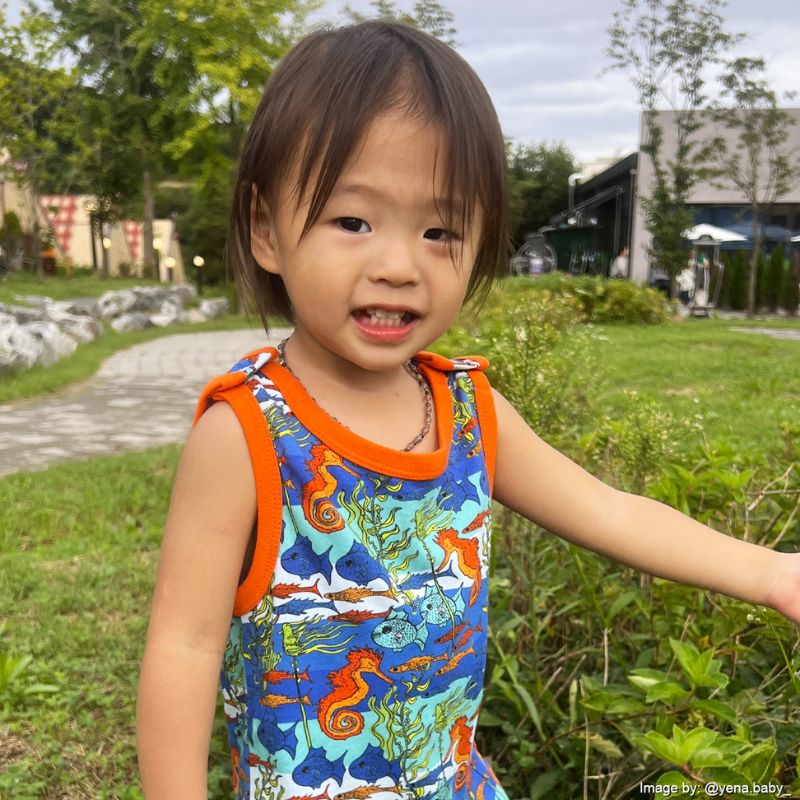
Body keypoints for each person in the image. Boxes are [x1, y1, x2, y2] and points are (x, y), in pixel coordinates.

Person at [136, 20, 800, 800]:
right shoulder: (246, 433)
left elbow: (612, 512)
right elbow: (184, 646)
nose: (397, 266)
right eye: (353, 221)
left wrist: (773, 574)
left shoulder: (470, 412)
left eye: (439, 230)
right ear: (265, 230)